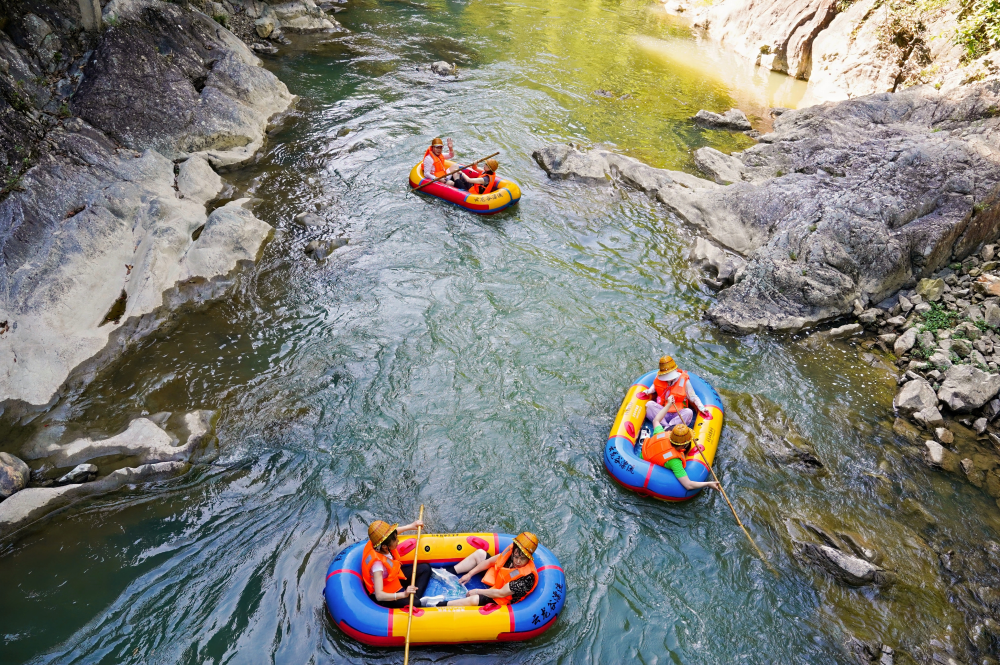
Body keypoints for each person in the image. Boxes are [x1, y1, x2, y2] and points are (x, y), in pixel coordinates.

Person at [429, 532, 539, 607]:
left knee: (474, 599)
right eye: (516, 556)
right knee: (480, 554)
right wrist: (469, 574)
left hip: (502, 596)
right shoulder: (511, 551)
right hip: (497, 579)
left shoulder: (527, 578)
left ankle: (440, 604)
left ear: (528, 558)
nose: (518, 561)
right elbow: (490, 561)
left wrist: (476, 591)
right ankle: (447, 572)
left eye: (522, 558)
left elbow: (500, 593)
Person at [641, 404, 720, 492]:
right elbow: (688, 485)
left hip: (642, 457)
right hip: (649, 467)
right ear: (685, 445)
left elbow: (656, 420)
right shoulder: (675, 461)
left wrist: (668, 404)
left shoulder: (660, 433)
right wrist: (708, 484)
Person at [361, 519, 430, 608]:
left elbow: (394, 532)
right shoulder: (377, 565)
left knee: (425, 568)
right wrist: (404, 594)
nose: (398, 541)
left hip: (392, 577)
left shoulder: (378, 541)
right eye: (395, 539)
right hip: (386, 592)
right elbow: (379, 596)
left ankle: (413, 595)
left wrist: (411, 526)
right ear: (385, 546)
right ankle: (414, 599)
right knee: (416, 603)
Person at [637, 355, 711, 428]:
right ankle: (666, 426)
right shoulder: (659, 378)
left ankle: (669, 427)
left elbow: (693, 396)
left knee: (689, 412)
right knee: (649, 404)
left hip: (678, 414)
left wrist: (701, 408)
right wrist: (647, 391)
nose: (667, 378)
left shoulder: (684, 381)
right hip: (662, 412)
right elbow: (653, 387)